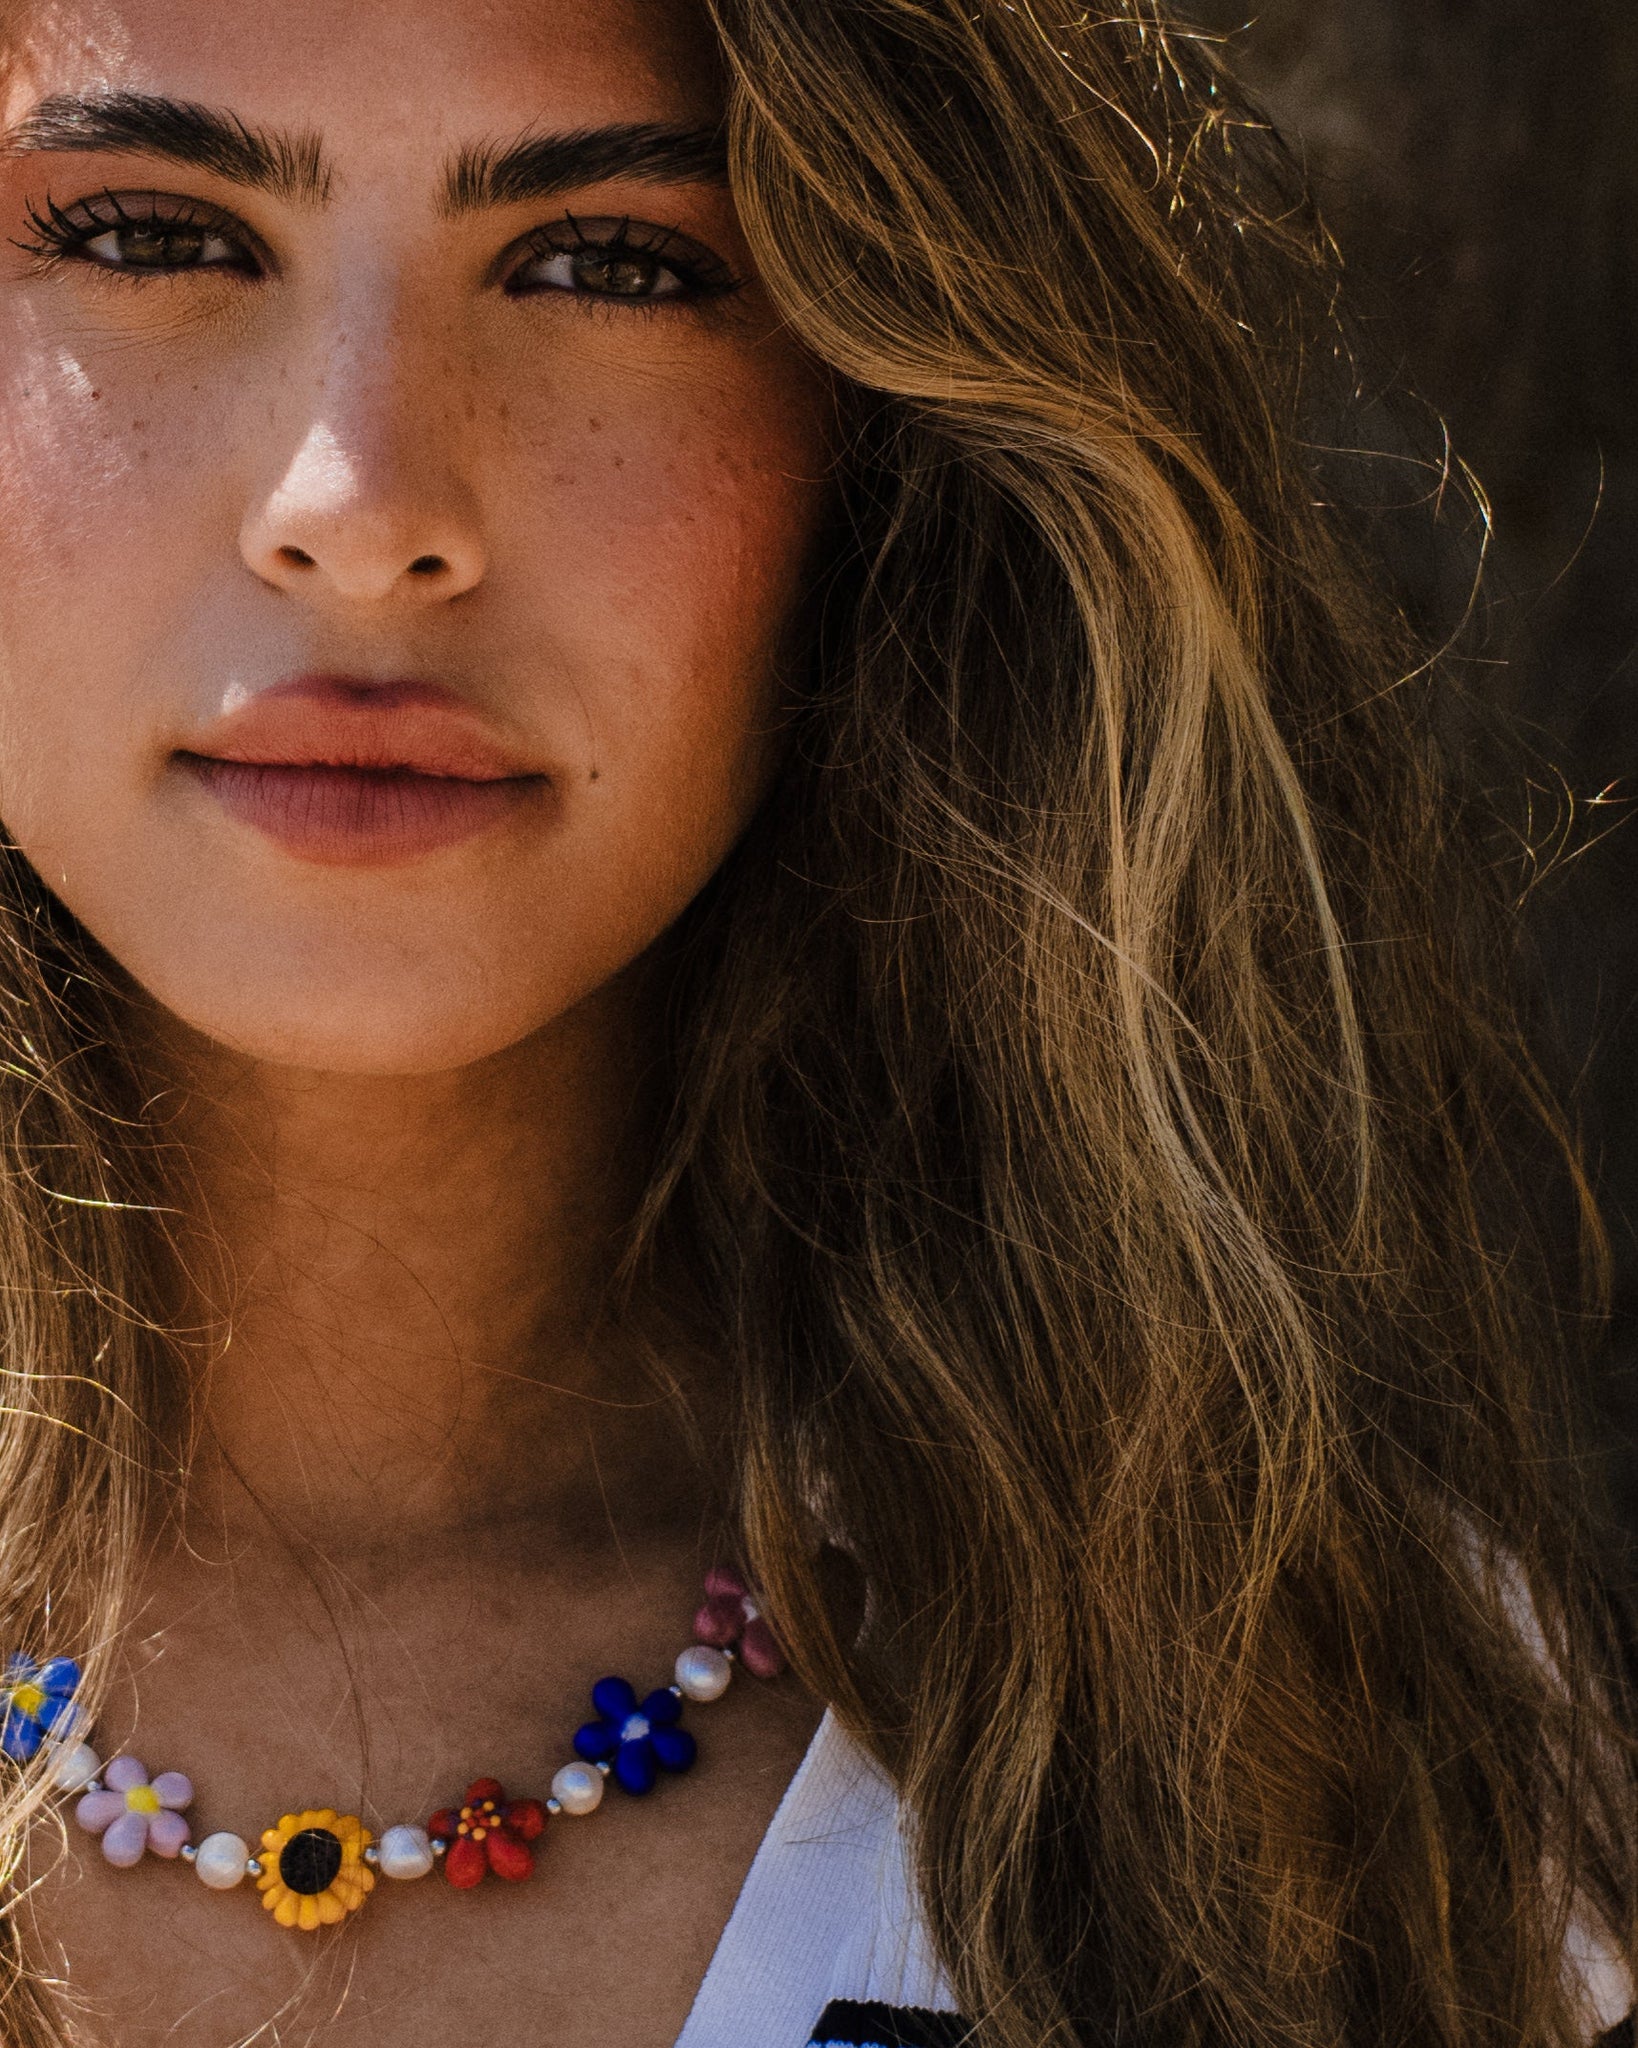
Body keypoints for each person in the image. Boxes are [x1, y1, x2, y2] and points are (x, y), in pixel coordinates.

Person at [0, 0, 1632, 2043]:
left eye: (611, 264)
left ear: (879, 430)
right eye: (150, 235)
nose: (359, 501)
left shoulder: (1315, 1755)